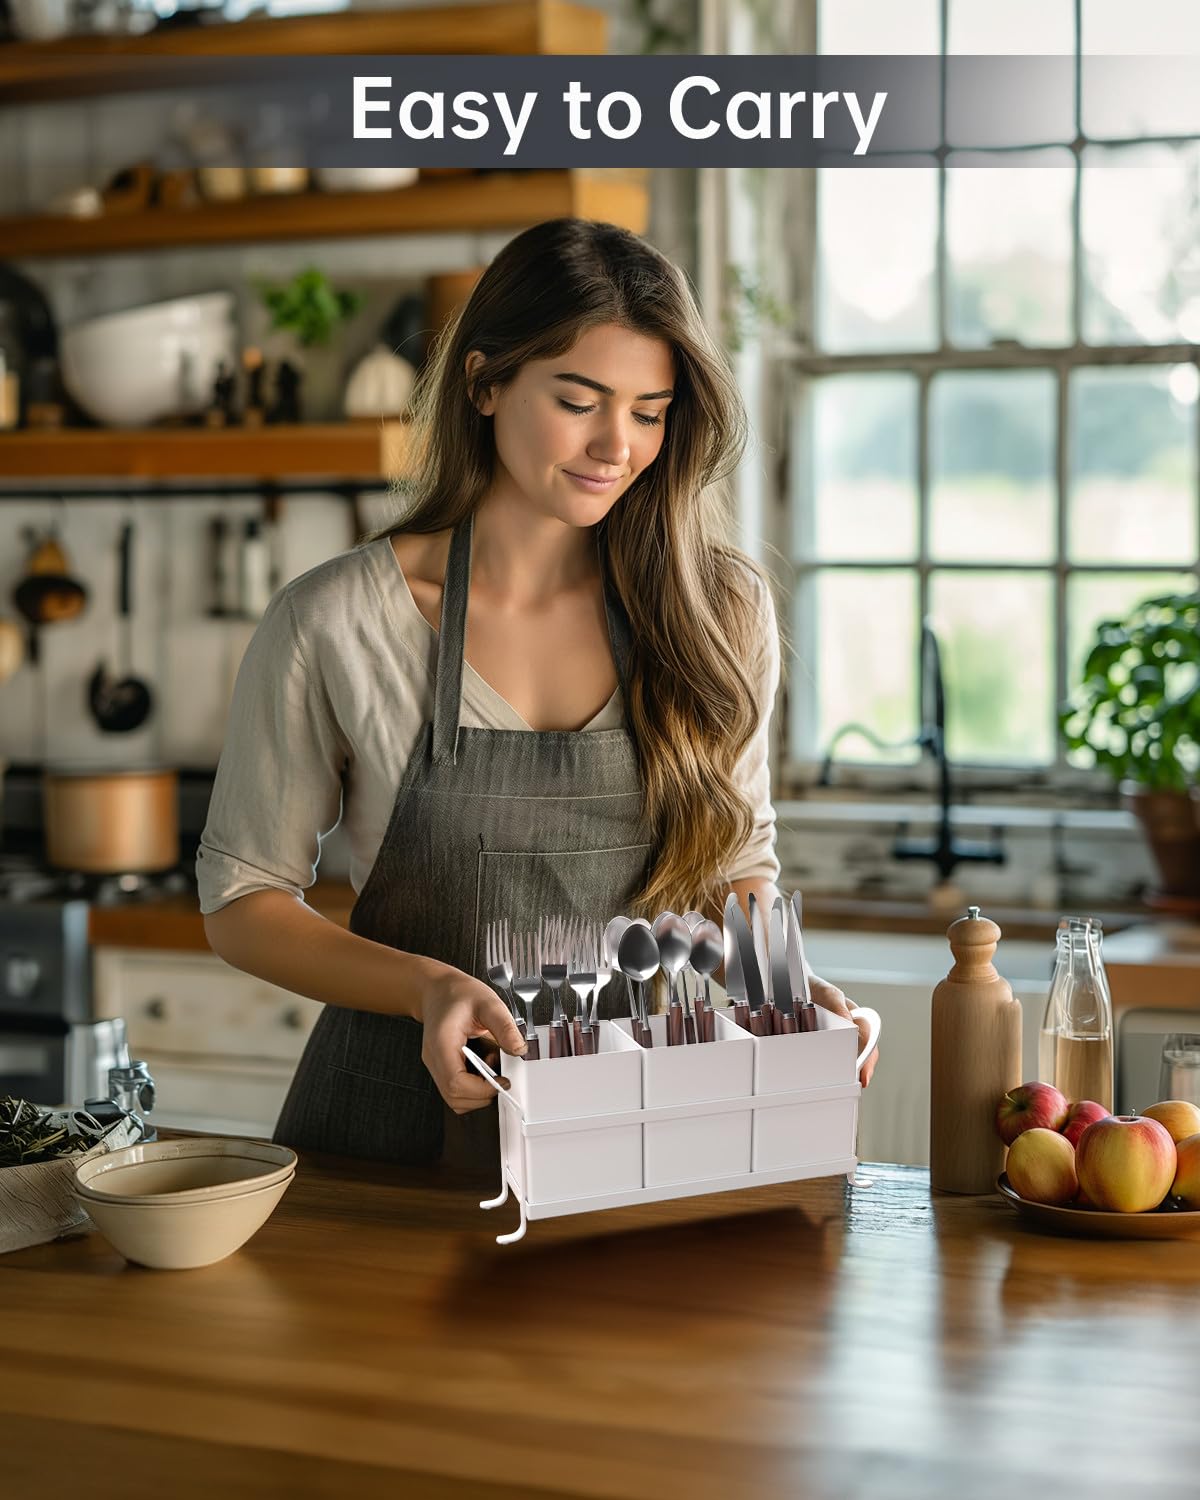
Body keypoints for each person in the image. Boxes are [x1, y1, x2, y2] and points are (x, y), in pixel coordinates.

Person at [199, 216, 878, 1168]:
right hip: (393, 1141)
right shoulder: (339, 620)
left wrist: (785, 989)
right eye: (579, 400)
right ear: (483, 382)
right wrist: (427, 987)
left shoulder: (718, 609)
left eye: (650, 411)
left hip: (635, 1133)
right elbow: (242, 900)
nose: (618, 445)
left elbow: (734, 864)